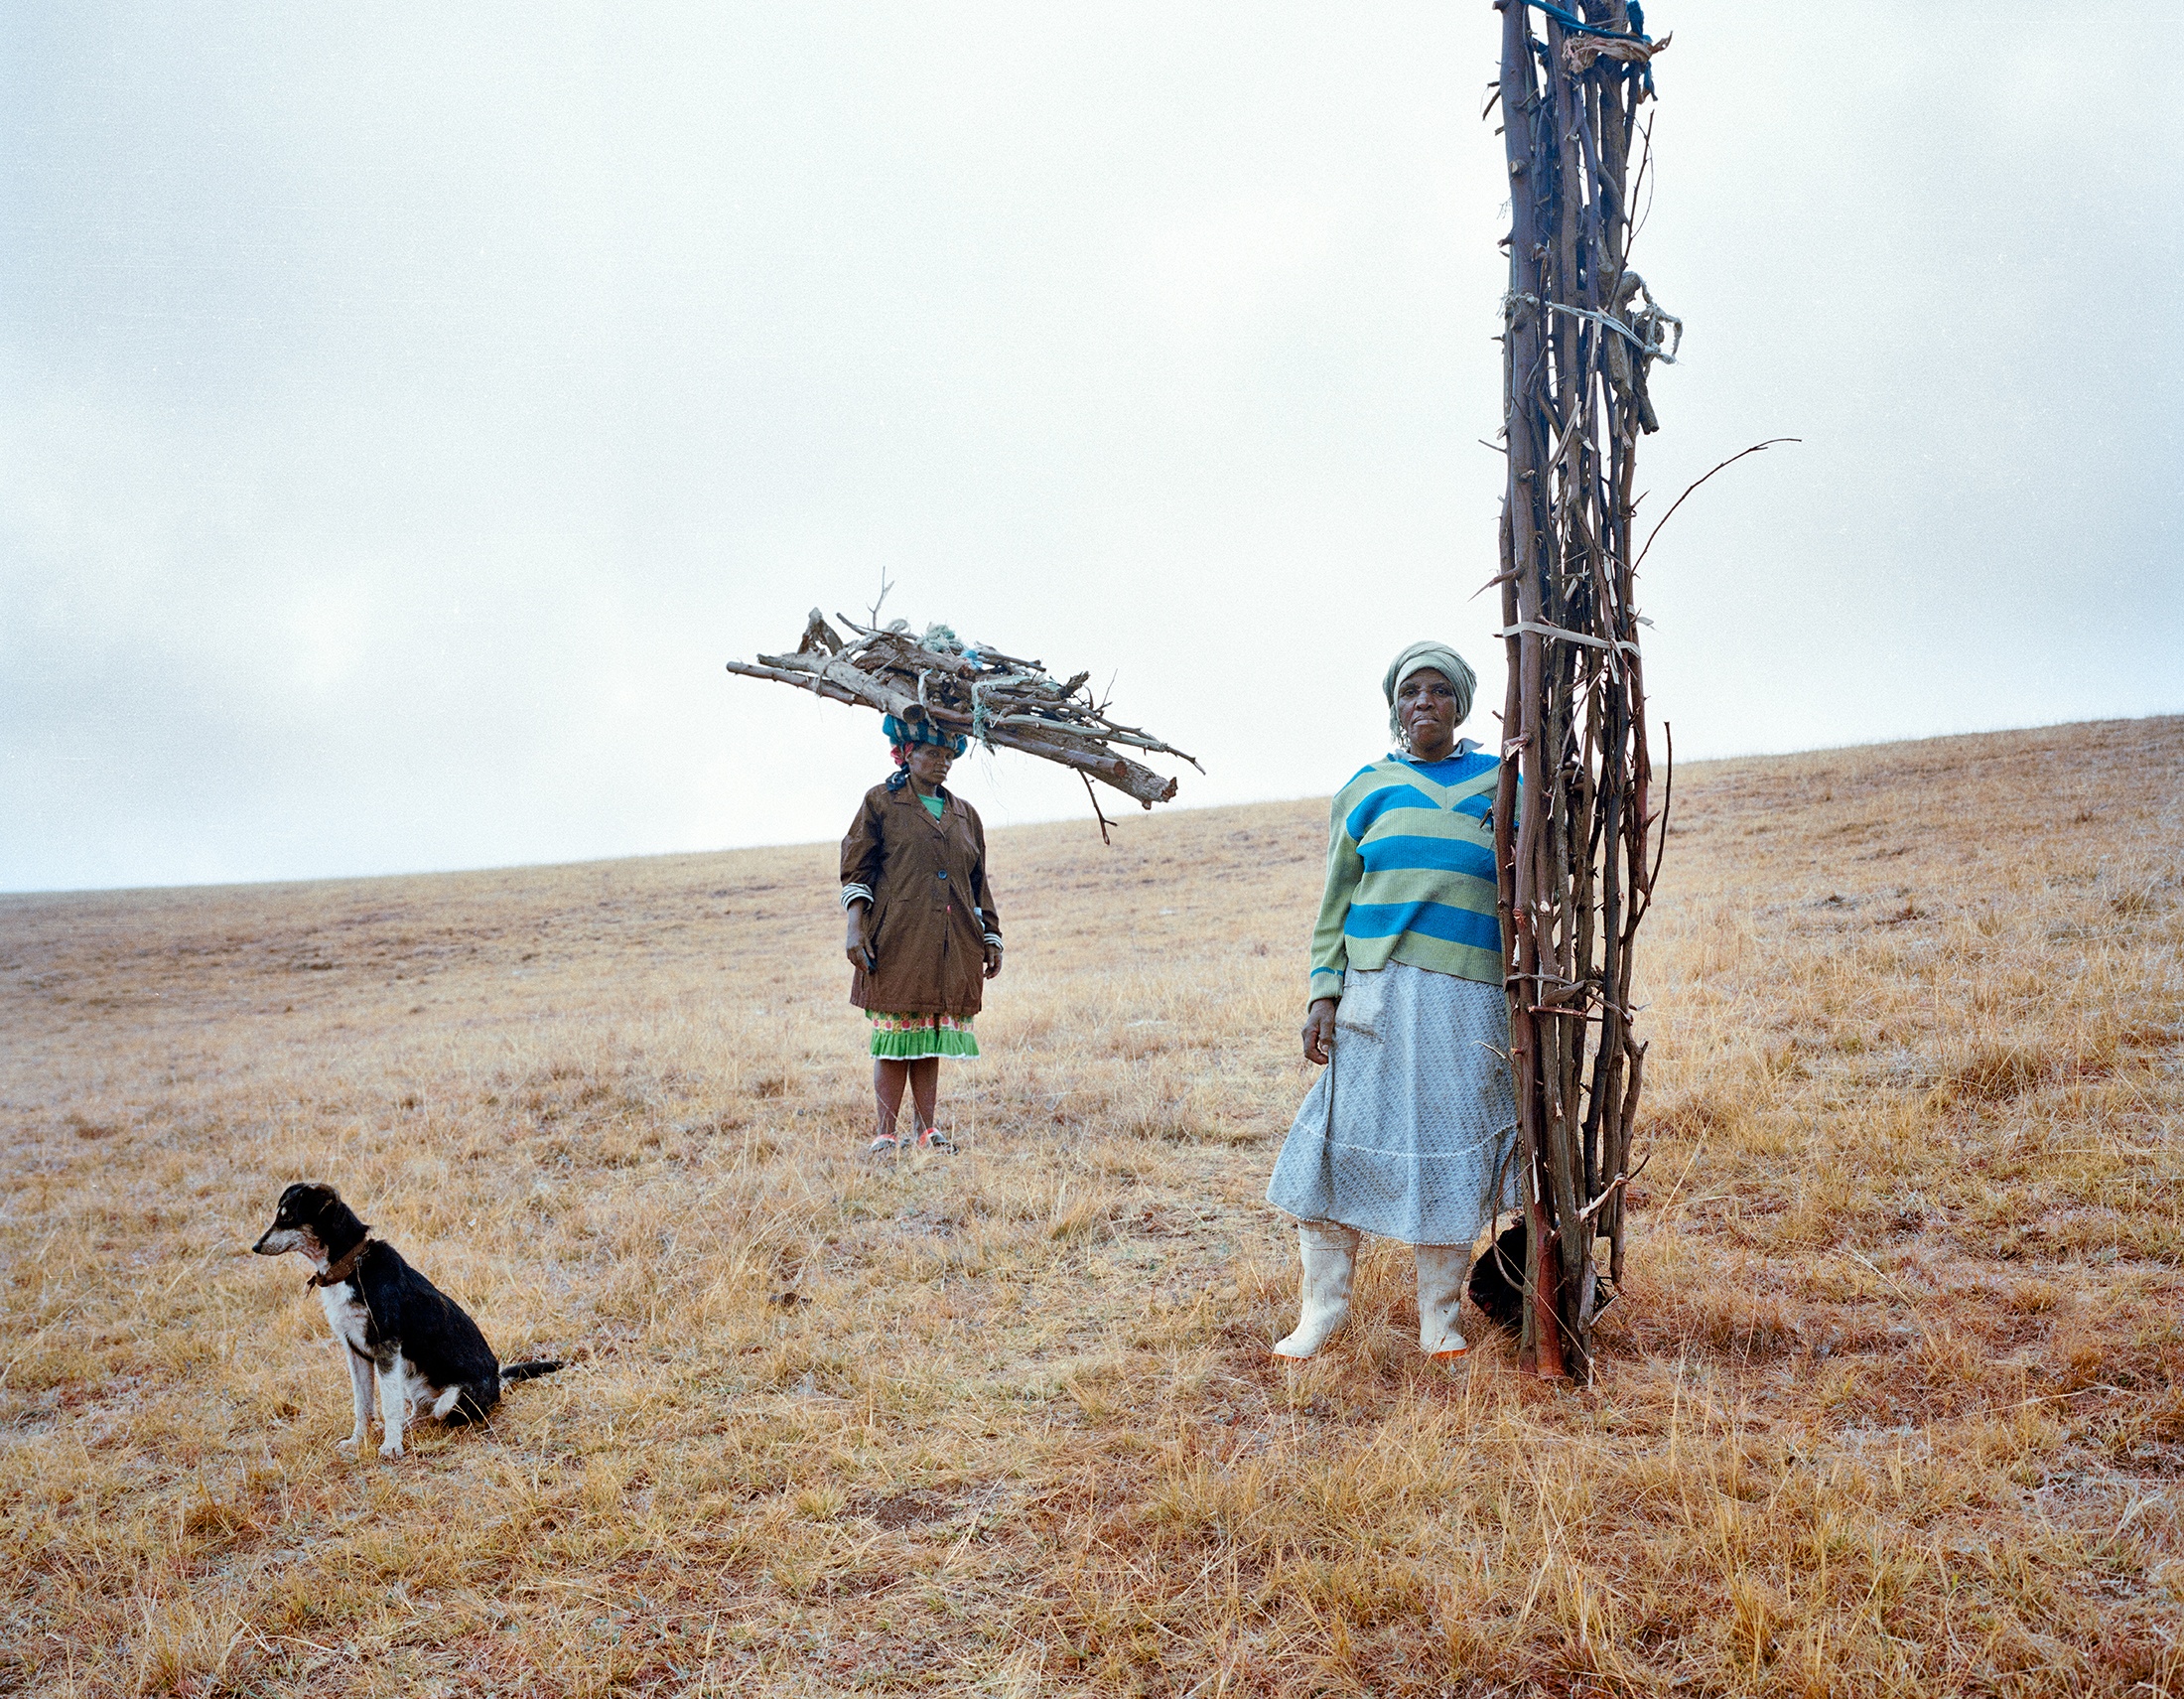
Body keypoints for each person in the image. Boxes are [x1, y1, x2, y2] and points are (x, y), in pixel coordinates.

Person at [1265, 640, 1518, 1362]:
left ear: (1461, 703)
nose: (1423, 704)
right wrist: (1323, 994)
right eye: (1411, 692)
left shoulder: (1503, 785)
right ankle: (1323, 1310)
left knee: (1447, 1152)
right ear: (1394, 706)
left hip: (1469, 1001)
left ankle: (1439, 1320)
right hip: (1376, 992)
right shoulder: (1367, 788)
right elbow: (1334, 903)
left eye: (1439, 691)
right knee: (1335, 1142)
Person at [839, 714, 1004, 1155]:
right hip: (896, 938)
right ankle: (886, 1134)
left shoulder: (964, 814)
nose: (943, 763)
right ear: (907, 753)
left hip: (952, 941)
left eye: (949, 755)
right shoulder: (880, 803)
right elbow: (857, 868)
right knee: (895, 1037)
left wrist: (991, 935)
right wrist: (855, 928)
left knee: (928, 1034)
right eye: (933, 753)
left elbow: (977, 881)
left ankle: (927, 1130)